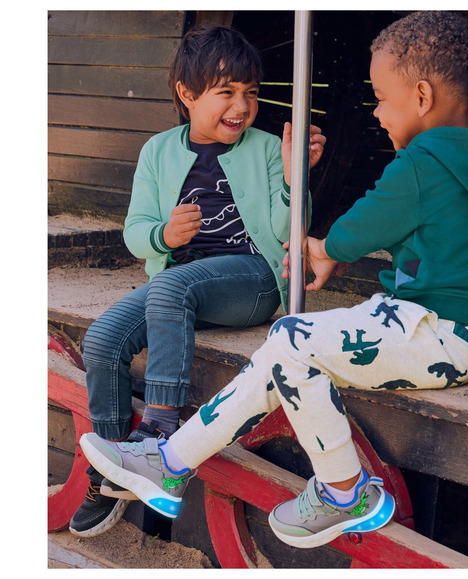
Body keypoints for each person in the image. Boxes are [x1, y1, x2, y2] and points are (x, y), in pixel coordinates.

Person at [80, 10, 468, 549]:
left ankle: (344, 489)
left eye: (382, 98)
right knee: (283, 345)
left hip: (432, 333)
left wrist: (327, 247)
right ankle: (168, 463)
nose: (376, 110)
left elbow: (369, 219)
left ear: (421, 96)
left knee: (292, 339)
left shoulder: (423, 160)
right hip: (426, 323)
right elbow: (438, 228)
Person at [69, 24, 326, 538]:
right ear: (187, 95)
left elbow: (286, 235)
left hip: (250, 279)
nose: (242, 105)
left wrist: (297, 181)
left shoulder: (266, 148)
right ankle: (114, 472)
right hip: (179, 283)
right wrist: (164, 234)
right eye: (226, 92)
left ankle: (160, 429)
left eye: (250, 93)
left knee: (172, 288)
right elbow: (135, 232)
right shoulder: (158, 152)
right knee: (101, 340)